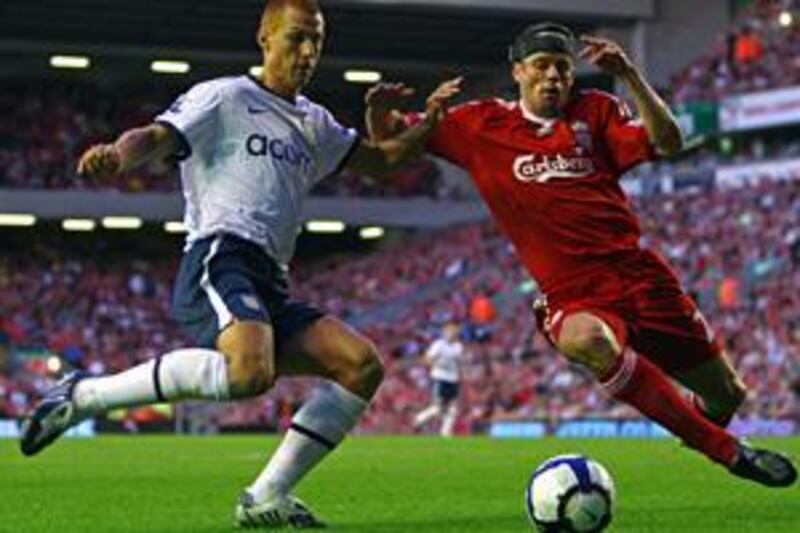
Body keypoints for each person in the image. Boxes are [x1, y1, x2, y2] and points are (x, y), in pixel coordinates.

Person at [19, 0, 462, 528]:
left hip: (271, 275)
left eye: (316, 42)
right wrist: (118, 154)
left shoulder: (313, 121)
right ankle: (86, 395)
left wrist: (429, 123)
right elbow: (157, 136)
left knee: (359, 364)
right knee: (251, 372)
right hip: (222, 253)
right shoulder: (225, 96)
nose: (307, 52)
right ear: (265, 37)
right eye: (296, 37)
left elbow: (384, 161)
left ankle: (266, 498)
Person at [365, 23, 796, 488]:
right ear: (518, 72)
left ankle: (692, 429)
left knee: (726, 395)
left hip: (640, 277)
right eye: (541, 66)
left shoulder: (598, 110)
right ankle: (727, 452)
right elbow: (389, 150)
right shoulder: (479, 123)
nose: (552, 76)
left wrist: (629, 74)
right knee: (588, 340)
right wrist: (378, 111)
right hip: (571, 292)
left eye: (562, 68)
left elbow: (668, 142)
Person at [413, 322, 465, 436]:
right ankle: (419, 418)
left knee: (452, 408)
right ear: (445, 333)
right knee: (438, 408)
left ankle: (445, 433)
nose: (452, 334)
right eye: (450, 331)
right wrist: (436, 363)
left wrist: (461, 376)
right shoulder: (439, 345)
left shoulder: (459, 346)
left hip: (453, 379)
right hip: (440, 378)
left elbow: (459, 363)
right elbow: (427, 359)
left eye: (454, 332)